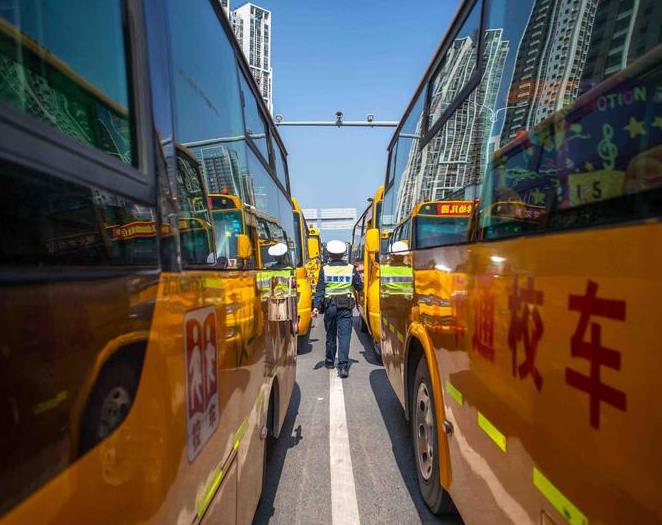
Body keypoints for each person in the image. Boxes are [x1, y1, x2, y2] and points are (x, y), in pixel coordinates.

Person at [312, 239, 363, 378]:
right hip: (346, 307)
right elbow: (359, 287)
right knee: (344, 336)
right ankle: (343, 367)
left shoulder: (324, 269)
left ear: (328, 254)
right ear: (343, 254)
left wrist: (316, 307)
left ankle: (329, 361)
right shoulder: (350, 268)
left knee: (330, 334)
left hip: (330, 307)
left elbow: (320, 290)